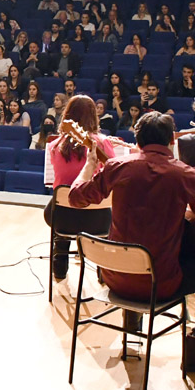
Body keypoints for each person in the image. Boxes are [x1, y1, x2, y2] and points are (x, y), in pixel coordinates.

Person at [69, 111, 195, 372]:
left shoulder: (117, 167)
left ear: (137, 141)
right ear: (172, 140)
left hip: (115, 276)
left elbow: (75, 197)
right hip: (161, 283)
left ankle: (132, 323)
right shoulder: (185, 174)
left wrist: (89, 165)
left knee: (138, 243)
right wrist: (191, 217)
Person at [45, 95, 115, 280]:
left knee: (59, 203)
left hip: (63, 219)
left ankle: (59, 269)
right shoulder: (102, 143)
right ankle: (103, 272)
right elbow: (113, 173)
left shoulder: (55, 145)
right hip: (97, 219)